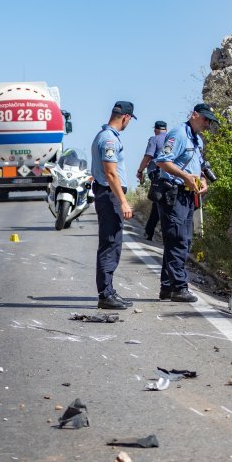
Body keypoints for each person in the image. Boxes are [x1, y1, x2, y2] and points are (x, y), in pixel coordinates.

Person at [154, 103, 219, 302]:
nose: (207, 124)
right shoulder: (178, 134)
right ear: (194, 115)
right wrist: (185, 177)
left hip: (188, 194)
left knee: (183, 240)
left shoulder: (196, 140)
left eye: (210, 121)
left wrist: (203, 181)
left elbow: (198, 166)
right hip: (173, 192)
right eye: (205, 119)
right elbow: (162, 160)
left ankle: (167, 287)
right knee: (178, 239)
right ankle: (179, 287)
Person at [91, 101, 136, 310]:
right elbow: (110, 173)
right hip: (110, 196)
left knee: (112, 243)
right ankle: (105, 294)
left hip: (107, 195)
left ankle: (108, 290)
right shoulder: (109, 139)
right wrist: (123, 201)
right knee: (110, 243)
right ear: (126, 117)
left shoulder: (104, 136)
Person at [136, 120, 167, 240]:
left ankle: (151, 232)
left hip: (156, 173)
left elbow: (148, 156)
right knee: (159, 202)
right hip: (172, 174)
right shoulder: (172, 138)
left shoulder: (154, 139)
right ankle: (150, 231)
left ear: (155, 129)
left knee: (158, 202)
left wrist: (140, 171)